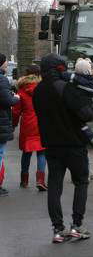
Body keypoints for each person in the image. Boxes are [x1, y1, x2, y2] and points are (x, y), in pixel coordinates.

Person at [32, 54, 93, 243]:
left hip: (51, 145)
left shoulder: (38, 91)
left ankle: (57, 229)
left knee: (55, 185)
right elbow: (86, 114)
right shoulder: (66, 88)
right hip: (74, 144)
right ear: (59, 69)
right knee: (81, 182)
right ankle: (76, 225)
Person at [12, 65, 47, 191]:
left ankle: (24, 180)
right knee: (41, 152)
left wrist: (14, 124)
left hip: (27, 124)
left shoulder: (21, 90)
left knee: (26, 153)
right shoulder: (43, 89)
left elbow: (16, 111)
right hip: (42, 123)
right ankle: (40, 180)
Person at [0, 53, 20, 197]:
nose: (7, 64)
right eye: (6, 62)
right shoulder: (2, 80)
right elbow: (7, 100)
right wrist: (16, 98)